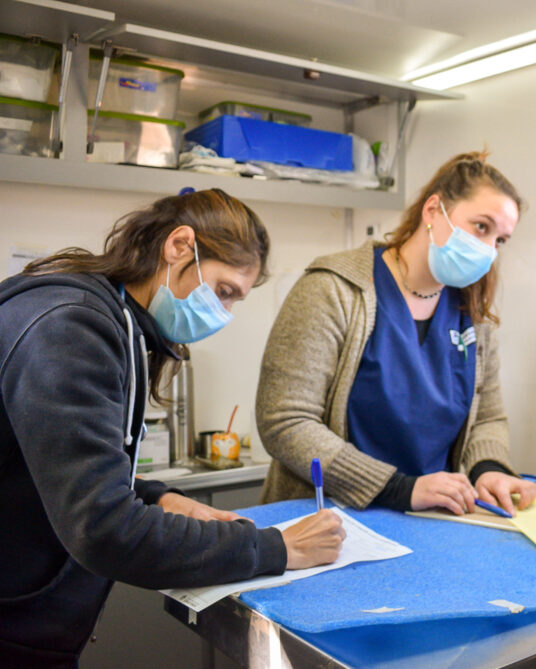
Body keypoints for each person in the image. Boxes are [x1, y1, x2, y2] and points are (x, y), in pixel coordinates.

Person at [0, 189, 344, 668]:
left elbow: (58, 467)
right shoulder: (70, 327)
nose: (222, 315)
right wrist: (277, 549)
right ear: (179, 245)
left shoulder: (115, 322)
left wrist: (156, 497)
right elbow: (103, 529)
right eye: (223, 291)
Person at [257, 152, 536, 517]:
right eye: (481, 227)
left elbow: (487, 418)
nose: (488, 250)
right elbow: (285, 422)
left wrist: (490, 470)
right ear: (433, 210)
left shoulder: (473, 315)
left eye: (500, 240)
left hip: (432, 520)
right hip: (328, 520)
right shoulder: (334, 290)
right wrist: (398, 488)